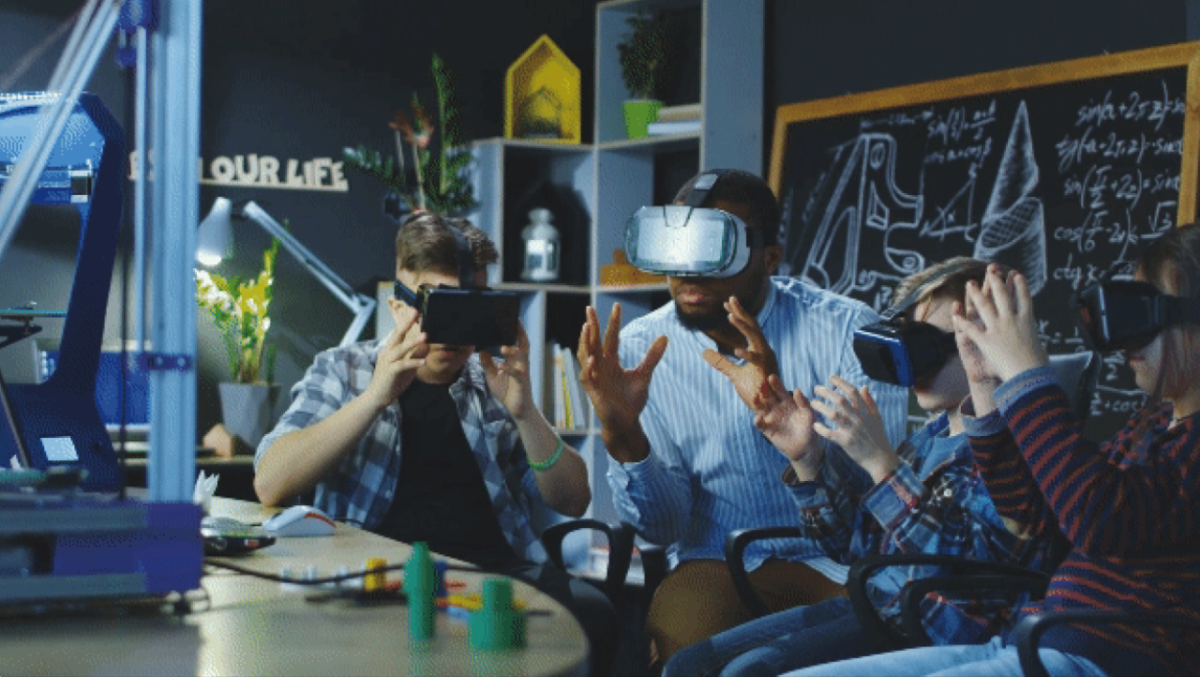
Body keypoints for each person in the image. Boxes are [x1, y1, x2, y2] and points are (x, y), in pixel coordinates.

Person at [790, 225, 1200, 677]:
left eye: (1144, 315)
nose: (1127, 340)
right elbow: (1031, 517)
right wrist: (985, 387)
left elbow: (1099, 519)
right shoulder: (1155, 426)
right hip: (1032, 639)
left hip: (1099, 657)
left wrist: (1027, 377)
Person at [662, 257, 1065, 677]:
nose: (914, 365)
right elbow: (848, 547)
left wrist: (882, 465)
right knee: (690, 665)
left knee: (749, 671)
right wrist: (808, 460)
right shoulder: (930, 438)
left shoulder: (1018, 445)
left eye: (928, 344)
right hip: (877, 603)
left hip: (933, 628)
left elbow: (963, 577)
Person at [254, 212, 616, 675]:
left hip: (494, 578)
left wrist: (525, 413)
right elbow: (270, 482)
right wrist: (374, 398)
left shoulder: (491, 381)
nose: (450, 330)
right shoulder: (343, 370)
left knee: (590, 618)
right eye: (436, 305)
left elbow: (573, 498)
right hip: (381, 580)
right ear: (398, 305)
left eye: (466, 306)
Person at [576, 168, 909, 665]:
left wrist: (797, 439)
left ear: (768, 258)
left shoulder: (848, 330)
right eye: (678, 251)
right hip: (714, 562)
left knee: (863, 652)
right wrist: (625, 438)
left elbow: (881, 499)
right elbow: (663, 528)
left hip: (840, 564)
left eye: (714, 251)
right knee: (680, 661)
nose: (689, 275)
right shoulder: (640, 351)